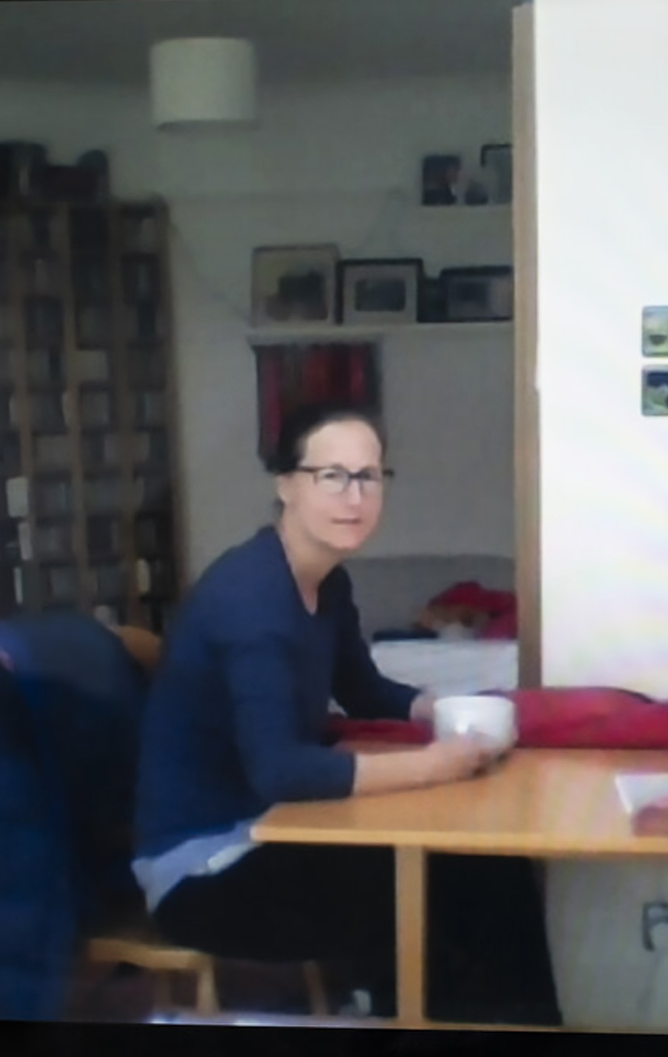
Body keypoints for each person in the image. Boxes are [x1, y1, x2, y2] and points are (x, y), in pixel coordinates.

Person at [131, 403, 561, 1024]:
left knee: (489, 870)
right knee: (443, 886)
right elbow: (279, 772)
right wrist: (438, 764)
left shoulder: (325, 581)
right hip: (208, 869)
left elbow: (362, 689)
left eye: (369, 476)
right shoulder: (252, 599)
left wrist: (441, 711)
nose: (354, 496)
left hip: (270, 829)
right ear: (286, 484)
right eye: (331, 475)